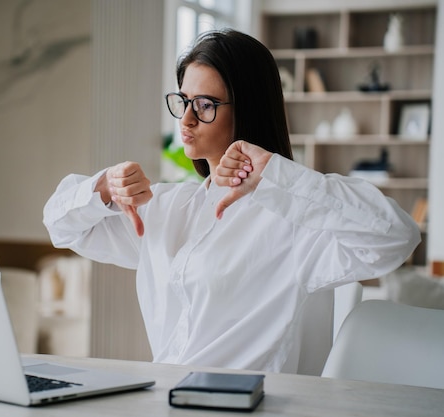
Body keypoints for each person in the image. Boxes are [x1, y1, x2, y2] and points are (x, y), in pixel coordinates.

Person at [43, 29, 420, 372]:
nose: (186, 120)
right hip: (161, 400)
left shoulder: (296, 225)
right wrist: (105, 188)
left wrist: (272, 173)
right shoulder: (167, 208)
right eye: (183, 100)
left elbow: (395, 236)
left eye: (205, 105)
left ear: (248, 109)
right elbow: (61, 226)